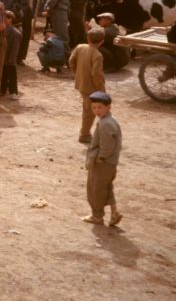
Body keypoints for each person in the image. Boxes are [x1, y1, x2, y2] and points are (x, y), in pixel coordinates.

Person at [81, 91, 123, 227]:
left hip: (104, 163)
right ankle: (114, 213)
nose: (96, 111)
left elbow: (107, 147)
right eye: (94, 108)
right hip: (110, 163)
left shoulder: (105, 124)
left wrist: (100, 159)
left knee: (95, 189)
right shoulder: (110, 120)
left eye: (100, 107)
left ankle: (97, 216)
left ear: (108, 107)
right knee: (106, 188)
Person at [69, 28, 106, 144]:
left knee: (87, 109)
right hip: (93, 88)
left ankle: (87, 133)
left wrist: (77, 74)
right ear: (102, 41)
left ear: (88, 38)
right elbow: (96, 74)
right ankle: (84, 134)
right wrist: (101, 89)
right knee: (89, 112)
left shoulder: (80, 47)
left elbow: (71, 61)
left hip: (81, 84)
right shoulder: (97, 55)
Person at [1, 10, 22, 100]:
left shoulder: (15, 33)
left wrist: (11, 59)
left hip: (10, 57)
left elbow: (15, 49)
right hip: (3, 56)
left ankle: (13, 92)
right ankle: (2, 90)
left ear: (10, 19)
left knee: (11, 75)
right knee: (3, 74)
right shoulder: (2, 29)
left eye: (5, 18)